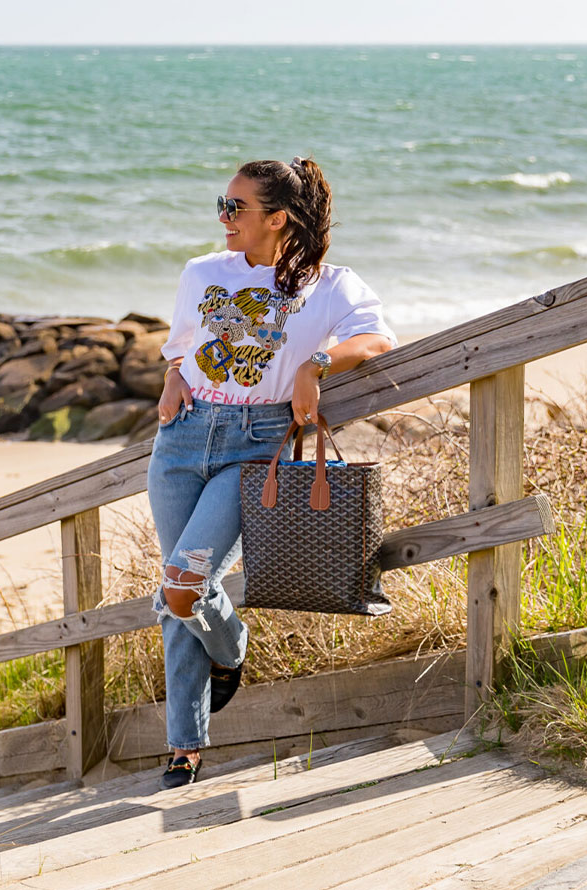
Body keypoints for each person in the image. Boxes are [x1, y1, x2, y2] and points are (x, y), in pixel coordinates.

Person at [147, 157, 396, 789]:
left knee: (183, 586)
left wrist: (314, 363)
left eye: (236, 208)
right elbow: (180, 344)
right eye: (222, 205)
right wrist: (174, 376)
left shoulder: (331, 285)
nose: (223, 218)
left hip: (256, 447)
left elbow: (376, 339)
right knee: (183, 582)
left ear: (277, 218)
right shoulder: (201, 272)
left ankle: (231, 648)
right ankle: (185, 744)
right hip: (181, 440)